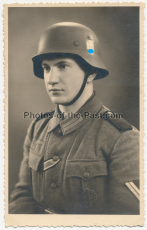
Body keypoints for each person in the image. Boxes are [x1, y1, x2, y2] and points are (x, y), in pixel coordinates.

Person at [9, 22, 139, 214]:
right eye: (46, 68)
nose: (51, 79)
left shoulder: (122, 139)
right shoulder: (38, 128)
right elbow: (23, 198)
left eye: (62, 66)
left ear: (91, 72)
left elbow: (127, 220)